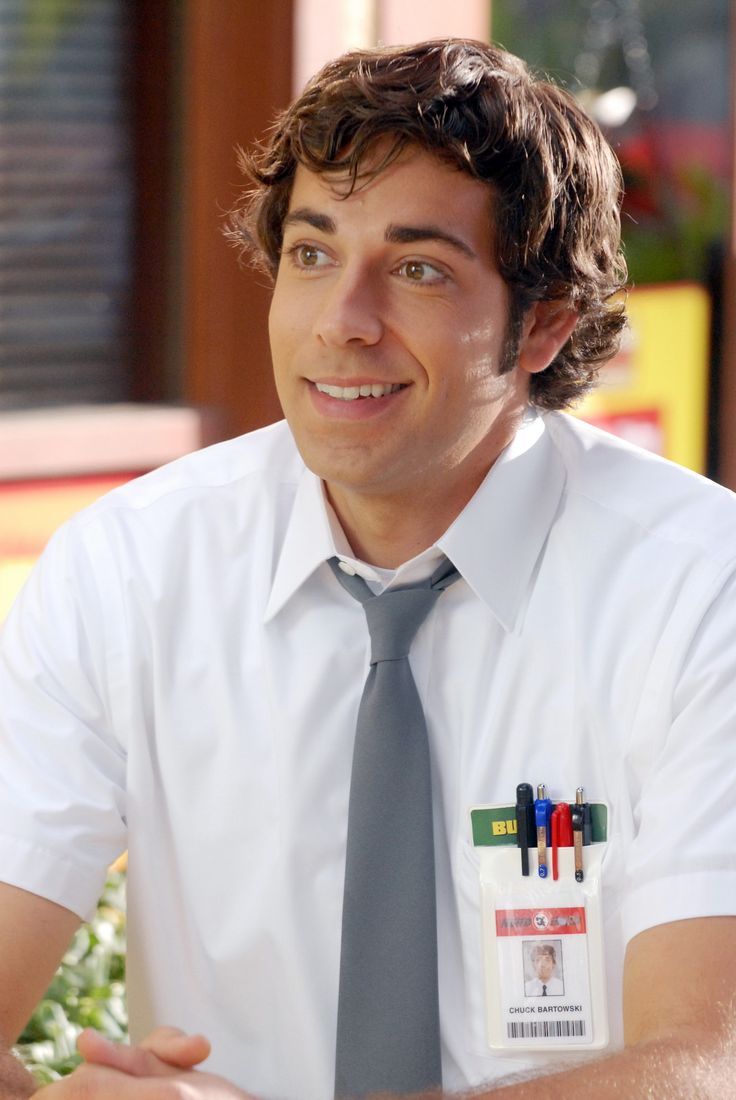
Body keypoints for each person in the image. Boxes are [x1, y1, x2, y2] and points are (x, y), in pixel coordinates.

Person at [0, 36, 735, 1100]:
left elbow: (704, 1061)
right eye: (311, 254)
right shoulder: (130, 567)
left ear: (542, 326)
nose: (341, 323)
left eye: (418, 268)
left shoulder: (698, 586)